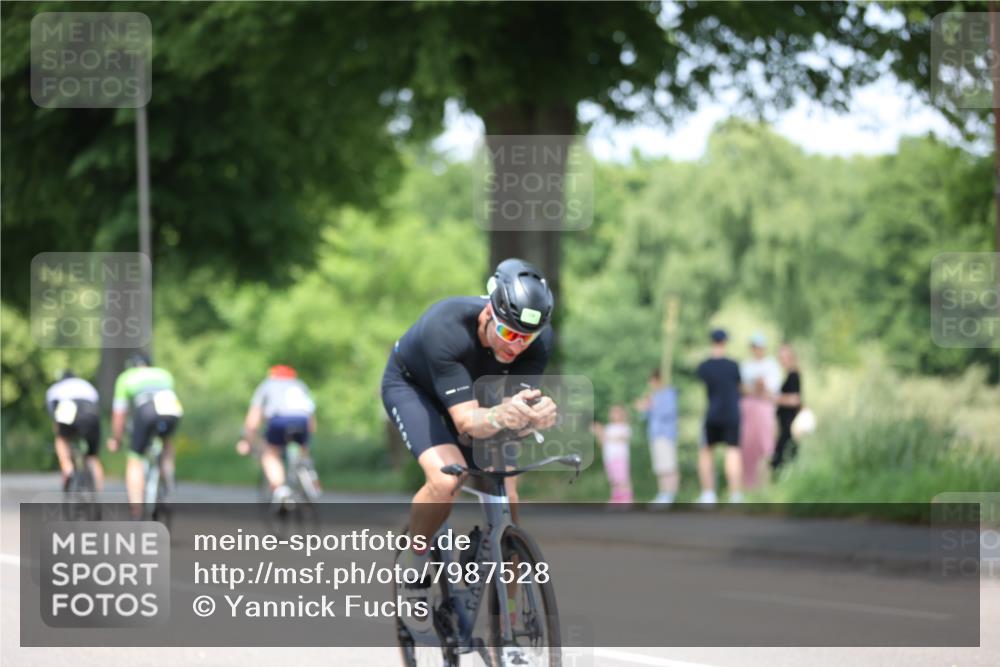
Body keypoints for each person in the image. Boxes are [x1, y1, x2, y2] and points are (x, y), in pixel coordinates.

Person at [381, 258, 557, 588]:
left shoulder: (539, 341)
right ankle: (414, 558)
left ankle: (511, 614)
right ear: (488, 313)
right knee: (448, 479)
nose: (514, 346)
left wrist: (536, 416)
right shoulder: (445, 326)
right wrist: (500, 415)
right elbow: (465, 422)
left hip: (478, 395)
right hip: (416, 389)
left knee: (507, 492)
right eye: (507, 332)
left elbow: (511, 410)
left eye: (526, 339)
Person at [107, 353, 183, 518]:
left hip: (147, 410)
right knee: (166, 442)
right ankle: (168, 477)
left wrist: (116, 439)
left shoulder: (126, 377)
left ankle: (136, 508)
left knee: (135, 459)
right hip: (172, 409)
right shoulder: (164, 374)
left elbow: (119, 414)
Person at [236, 365, 319, 503]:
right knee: (303, 448)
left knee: (270, 454)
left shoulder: (267, 384)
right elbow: (311, 420)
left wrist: (246, 438)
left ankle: (280, 489)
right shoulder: (300, 385)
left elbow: (254, 417)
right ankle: (309, 474)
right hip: (302, 420)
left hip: (279, 419)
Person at [695, 328, 743, 504]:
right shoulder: (734, 366)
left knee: (706, 451)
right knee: (733, 452)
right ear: (725, 343)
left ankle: (708, 493)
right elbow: (740, 387)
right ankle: (735, 494)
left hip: (713, 413)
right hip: (732, 413)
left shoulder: (704, 366)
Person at [45, 370, 105, 492]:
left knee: (61, 439)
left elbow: (52, 410)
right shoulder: (86, 385)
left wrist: (58, 427)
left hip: (68, 408)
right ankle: (98, 494)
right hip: (90, 412)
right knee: (93, 457)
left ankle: (67, 467)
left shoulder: (56, 388)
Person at [739, 333, 782, 489]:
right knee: (748, 446)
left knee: (765, 447)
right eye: (755, 347)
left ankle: (764, 484)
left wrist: (758, 389)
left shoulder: (771, 365)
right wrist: (756, 389)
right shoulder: (746, 366)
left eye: (760, 347)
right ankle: (747, 484)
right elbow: (743, 389)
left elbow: (771, 392)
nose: (757, 350)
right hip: (749, 412)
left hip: (765, 410)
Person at [634, 369, 679, 506]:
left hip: (665, 434)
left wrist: (652, 406)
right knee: (660, 466)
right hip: (654, 435)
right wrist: (643, 407)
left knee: (669, 465)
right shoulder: (653, 396)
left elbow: (669, 413)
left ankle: (670, 494)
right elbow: (644, 416)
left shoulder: (669, 394)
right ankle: (663, 493)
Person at [593, 405, 633, 505]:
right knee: (614, 480)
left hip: (619, 457)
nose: (613, 415)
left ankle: (627, 499)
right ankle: (616, 499)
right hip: (609, 458)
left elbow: (620, 438)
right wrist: (598, 433)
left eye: (616, 413)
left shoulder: (624, 427)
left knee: (622, 479)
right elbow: (602, 443)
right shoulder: (609, 427)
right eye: (612, 413)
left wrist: (603, 433)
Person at [771, 343, 802, 472]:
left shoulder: (794, 375)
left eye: (784, 357)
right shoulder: (788, 375)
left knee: (783, 453)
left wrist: (774, 398)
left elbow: (795, 399)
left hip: (789, 421)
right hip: (784, 421)